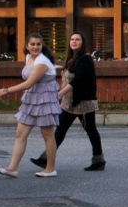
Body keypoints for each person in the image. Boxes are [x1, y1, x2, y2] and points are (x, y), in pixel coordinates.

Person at [32, 32, 104, 172]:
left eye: (77, 39)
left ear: (83, 42)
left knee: (90, 130)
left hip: (82, 102)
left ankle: (99, 160)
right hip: (69, 102)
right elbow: (69, 74)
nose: (74, 42)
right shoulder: (72, 58)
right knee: (60, 130)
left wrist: (59, 94)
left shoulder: (85, 59)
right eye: (72, 39)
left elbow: (78, 80)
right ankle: (45, 158)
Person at [0, 33, 61, 178]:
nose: (35, 47)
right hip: (31, 98)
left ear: (42, 45)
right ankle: (12, 168)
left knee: (47, 134)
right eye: (32, 44)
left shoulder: (42, 61)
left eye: (38, 44)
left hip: (45, 98)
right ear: (27, 46)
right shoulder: (29, 57)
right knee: (21, 133)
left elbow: (30, 82)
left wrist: (7, 90)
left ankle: (50, 168)